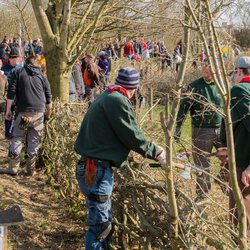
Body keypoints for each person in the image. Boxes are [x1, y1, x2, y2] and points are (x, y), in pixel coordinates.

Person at [75, 67, 166, 249]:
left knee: (103, 226)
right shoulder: (117, 100)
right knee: (100, 229)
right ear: (134, 88)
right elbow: (132, 135)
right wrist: (157, 152)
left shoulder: (107, 95)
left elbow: (113, 133)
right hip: (96, 170)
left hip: (93, 167)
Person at [175, 62, 223, 201]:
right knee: (202, 164)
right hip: (202, 130)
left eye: (209, 72)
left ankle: (225, 182)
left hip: (222, 129)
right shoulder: (194, 87)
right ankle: (203, 195)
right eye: (204, 71)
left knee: (229, 159)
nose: (206, 74)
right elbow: (183, 108)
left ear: (217, 71)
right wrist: (178, 127)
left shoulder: (223, 86)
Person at [0, 55, 52, 176]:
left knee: (18, 137)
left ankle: (13, 167)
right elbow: (49, 100)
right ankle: (31, 170)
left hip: (24, 114)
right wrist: (47, 115)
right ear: (36, 64)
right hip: (39, 114)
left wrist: (8, 110)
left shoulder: (19, 72)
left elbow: (11, 93)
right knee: (34, 140)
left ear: (26, 63)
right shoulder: (42, 77)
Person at [217, 56, 250, 238]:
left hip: (244, 163)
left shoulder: (239, 90)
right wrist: (225, 144)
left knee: (240, 214)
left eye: (234, 73)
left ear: (239, 72)